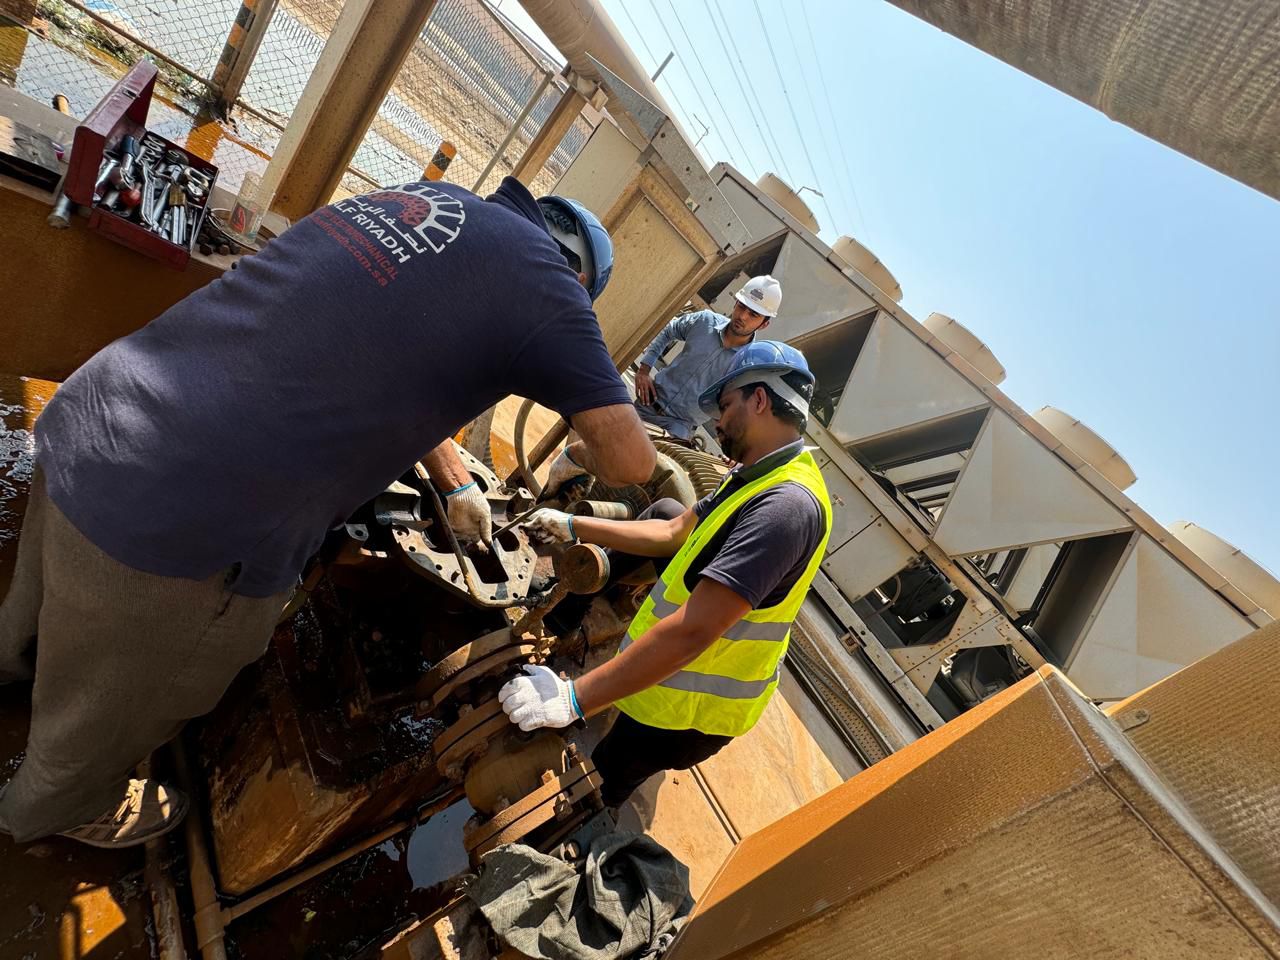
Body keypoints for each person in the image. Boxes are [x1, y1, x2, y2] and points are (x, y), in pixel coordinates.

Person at [0, 176, 656, 848]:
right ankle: (60, 806)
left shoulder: (435, 201)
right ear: (577, 279)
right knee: (172, 673)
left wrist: (456, 482)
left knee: (36, 602)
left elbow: (385, 344)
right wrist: (584, 449)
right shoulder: (551, 288)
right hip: (188, 517)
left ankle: (15, 665)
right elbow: (632, 463)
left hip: (97, 411)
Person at [500, 341, 832, 808]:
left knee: (603, 779)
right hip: (679, 674)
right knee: (666, 506)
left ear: (759, 399)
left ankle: (583, 823)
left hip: (691, 707)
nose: (717, 423)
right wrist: (574, 525)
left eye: (725, 406)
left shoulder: (786, 507)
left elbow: (693, 631)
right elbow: (673, 529)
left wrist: (575, 698)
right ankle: (560, 620)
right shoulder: (756, 476)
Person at [629, 275, 782, 442]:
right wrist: (644, 370)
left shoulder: (748, 364)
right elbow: (668, 330)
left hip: (678, 428)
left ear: (764, 324)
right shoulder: (704, 321)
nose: (742, 316)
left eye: (753, 314)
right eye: (741, 306)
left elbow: (739, 408)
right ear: (735, 303)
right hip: (647, 404)